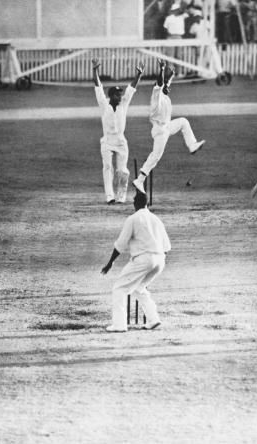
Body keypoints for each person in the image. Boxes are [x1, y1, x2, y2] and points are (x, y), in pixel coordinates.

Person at [131, 60, 205, 194]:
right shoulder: (157, 95)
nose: (169, 88)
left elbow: (165, 83)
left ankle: (192, 145)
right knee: (156, 156)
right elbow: (160, 83)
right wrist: (161, 69)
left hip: (166, 127)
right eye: (166, 86)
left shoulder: (164, 94)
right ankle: (139, 180)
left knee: (183, 121)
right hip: (160, 130)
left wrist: (171, 75)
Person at [101, 191, 171, 332]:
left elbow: (121, 244)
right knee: (138, 288)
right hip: (160, 260)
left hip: (144, 259)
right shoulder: (156, 219)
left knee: (119, 288)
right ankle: (153, 319)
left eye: (134, 201)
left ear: (136, 203)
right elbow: (167, 247)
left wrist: (110, 263)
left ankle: (119, 325)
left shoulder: (133, 219)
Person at [92, 58, 144, 204]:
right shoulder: (104, 104)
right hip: (107, 141)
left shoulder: (123, 104)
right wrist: (95, 70)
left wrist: (138, 75)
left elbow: (131, 90)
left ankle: (121, 196)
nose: (120, 97)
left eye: (120, 94)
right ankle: (110, 196)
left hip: (121, 142)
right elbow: (98, 86)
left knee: (122, 170)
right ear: (111, 96)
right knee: (107, 167)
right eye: (116, 95)